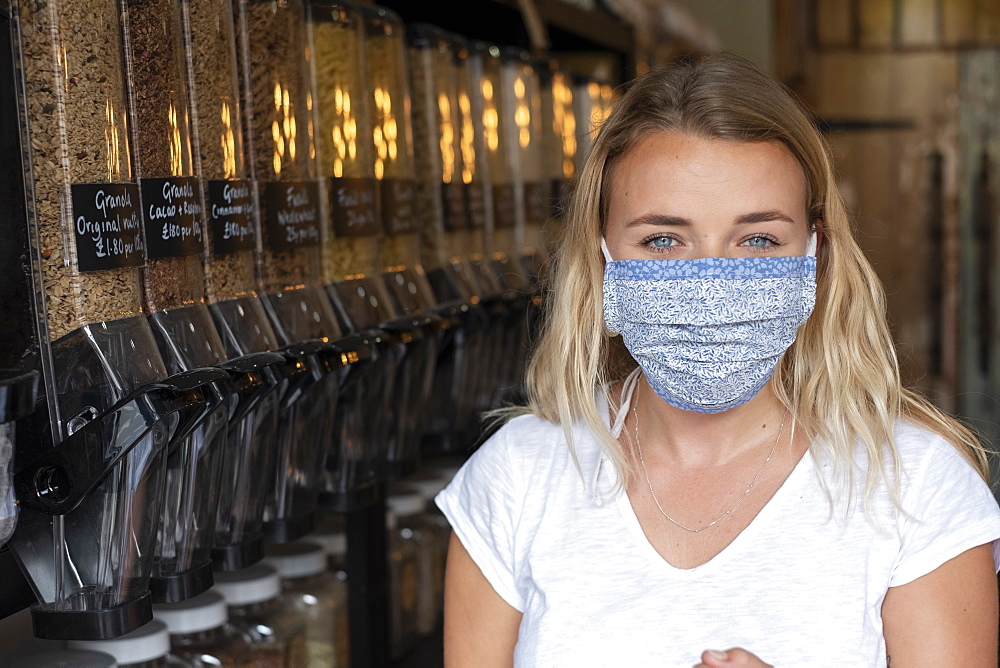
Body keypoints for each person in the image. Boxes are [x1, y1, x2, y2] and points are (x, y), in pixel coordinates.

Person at [435, 52, 1000, 667]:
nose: (709, 278)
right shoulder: (518, 478)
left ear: (813, 254)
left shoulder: (913, 487)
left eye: (757, 239)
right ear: (603, 261)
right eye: (662, 239)